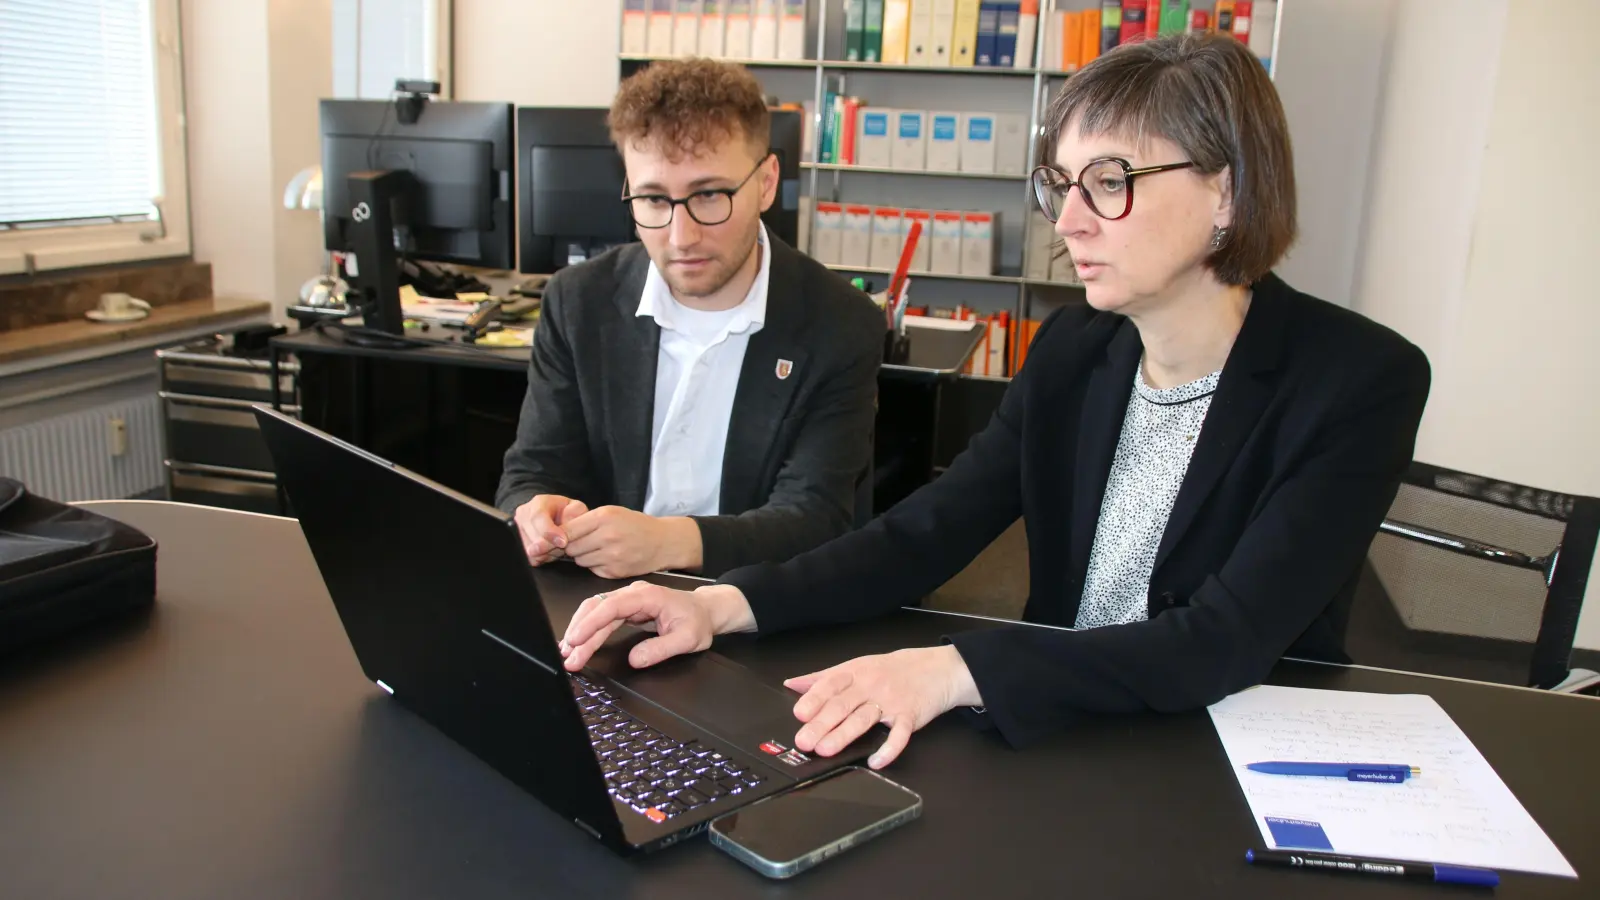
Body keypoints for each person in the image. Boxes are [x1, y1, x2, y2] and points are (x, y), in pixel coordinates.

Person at [557, 34, 1431, 770]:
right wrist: (720, 603)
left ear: (1228, 192)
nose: (1072, 222)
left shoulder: (1356, 380)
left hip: (1229, 753)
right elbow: (924, 531)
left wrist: (952, 669)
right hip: (1059, 725)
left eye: (1111, 181)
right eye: (1063, 185)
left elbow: (1222, 641)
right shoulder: (1075, 352)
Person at [496, 59, 885, 580]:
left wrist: (666, 541)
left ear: (767, 183)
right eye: (654, 199)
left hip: (749, 604)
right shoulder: (577, 301)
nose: (681, 237)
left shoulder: (841, 323)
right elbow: (533, 469)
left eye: (709, 195)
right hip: (602, 598)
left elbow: (815, 518)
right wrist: (537, 511)